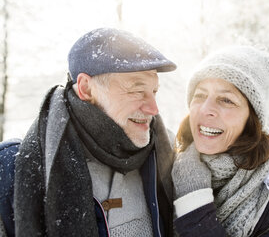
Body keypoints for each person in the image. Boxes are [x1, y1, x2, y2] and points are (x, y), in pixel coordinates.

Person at [0, 28, 176, 237]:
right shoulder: (10, 170)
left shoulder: (168, 155)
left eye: (154, 92)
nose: (153, 109)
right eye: (137, 91)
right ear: (86, 88)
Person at [171, 46, 269, 237]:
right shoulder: (162, 166)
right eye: (200, 95)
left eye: (226, 100)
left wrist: (193, 201)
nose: (205, 109)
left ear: (252, 119)